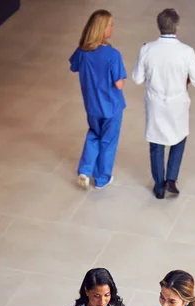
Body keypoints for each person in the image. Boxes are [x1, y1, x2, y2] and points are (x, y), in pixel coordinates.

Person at [132, 8, 195, 199]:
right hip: (177, 104)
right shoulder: (186, 52)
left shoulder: (147, 49)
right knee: (179, 138)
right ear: (177, 27)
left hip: (155, 104)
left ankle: (159, 186)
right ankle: (171, 179)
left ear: (159, 26)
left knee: (156, 144)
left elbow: (137, 78)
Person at [69, 10, 126, 190]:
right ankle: (101, 178)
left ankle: (85, 170)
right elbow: (119, 85)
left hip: (92, 105)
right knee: (108, 141)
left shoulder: (82, 51)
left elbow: (74, 66)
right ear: (102, 29)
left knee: (94, 134)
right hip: (111, 107)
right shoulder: (113, 55)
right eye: (110, 25)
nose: (112, 28)